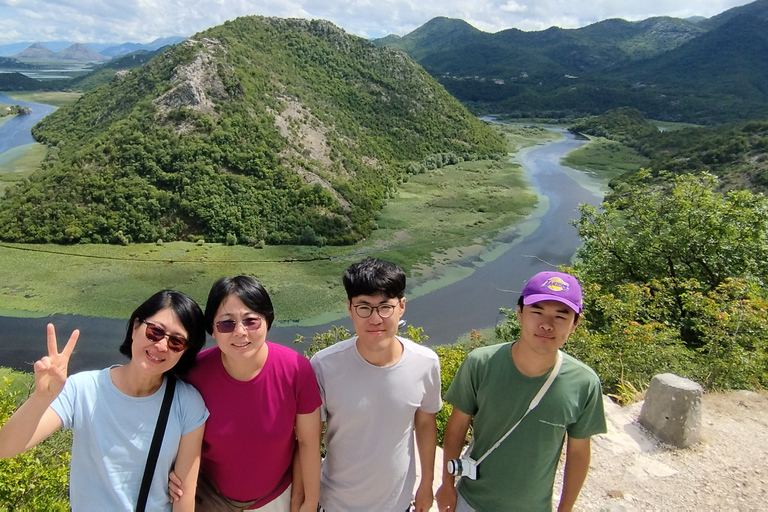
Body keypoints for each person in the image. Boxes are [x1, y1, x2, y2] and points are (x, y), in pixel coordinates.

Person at [0, 290, 209, 511]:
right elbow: (5, 448)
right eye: (155, 331)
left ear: (184, 351)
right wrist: (41, 398)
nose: (161, 346)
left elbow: (183, 497)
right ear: (136, 327)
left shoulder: (186, 403)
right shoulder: (84, 388)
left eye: (176, 341)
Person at [435, 271, 607, 512]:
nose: (547, 325)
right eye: (537, 312)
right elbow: (456, 428)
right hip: (470, 501)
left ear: (575, 324)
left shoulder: (584, 382)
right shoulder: (481, 363)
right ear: (519, 313)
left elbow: (578, 452)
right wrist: (447, 485)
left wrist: (565, 508)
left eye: (560, 316)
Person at [170, 275, 322, 512]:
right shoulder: (193, 375)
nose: (240, 332)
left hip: (275, 498)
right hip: (209, 498)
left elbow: (308, 443)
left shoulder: (296, 370)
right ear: (212, 328)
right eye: (226, 323)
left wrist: (308, 502)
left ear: (267, 321)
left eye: (251, 321)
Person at [310, 257, 442, 512]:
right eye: (364, 307)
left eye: (385, 307)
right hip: (335, 503)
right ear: (349, 308)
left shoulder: (425, 363)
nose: (375, 319)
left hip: (397, 503)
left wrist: (426, 485)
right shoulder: (324, 365)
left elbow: (425, 424)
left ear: (401, 306)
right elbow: (310, 440)